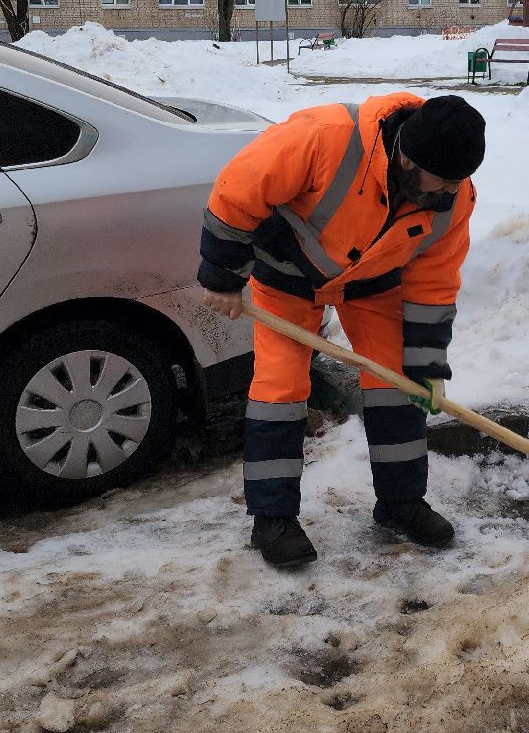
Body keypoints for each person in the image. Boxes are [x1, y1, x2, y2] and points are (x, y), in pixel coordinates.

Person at [198, 94, 485, 568]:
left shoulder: (453, 198)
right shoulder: (324, 137)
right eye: (444, 181)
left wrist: (428, 366)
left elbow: (434, 283)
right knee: (281, 388)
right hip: (285, 277)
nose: (450, 192)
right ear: (406, 158)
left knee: (399, 385)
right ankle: (273, 518)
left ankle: (401, 503)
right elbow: (236, 191)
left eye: (459, 181)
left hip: (371, 286)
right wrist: (222, 276)